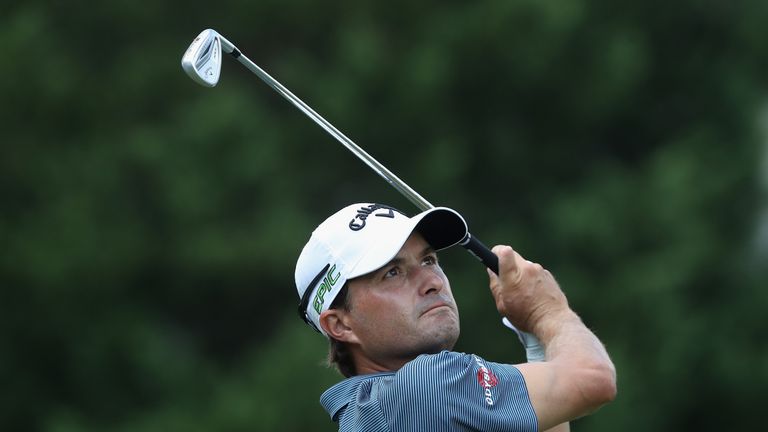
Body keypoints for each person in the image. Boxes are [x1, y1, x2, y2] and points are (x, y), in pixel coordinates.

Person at [295, 203, 616, 431]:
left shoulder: (372, 412)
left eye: (429, 260)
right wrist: (547, 311)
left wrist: (536, 343)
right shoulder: (425, 386)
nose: (432, 282)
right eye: (392, 273)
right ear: (340, 324)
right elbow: (595, 380)